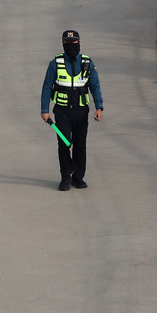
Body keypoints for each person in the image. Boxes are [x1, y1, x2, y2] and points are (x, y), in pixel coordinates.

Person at [40, 29, 103, 192]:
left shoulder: (87, 63)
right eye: (67, 43)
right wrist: (44, 109)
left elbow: (94, 86)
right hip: (62, 112)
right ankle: (65, 177)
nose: (71, 46)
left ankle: (78, 177)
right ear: (63, 44)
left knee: (80, 145)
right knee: (64, 144)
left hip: (81, 112)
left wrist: (99, 107)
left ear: (79, 43)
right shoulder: (55, 63)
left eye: (74, 42)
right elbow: (47, 87)